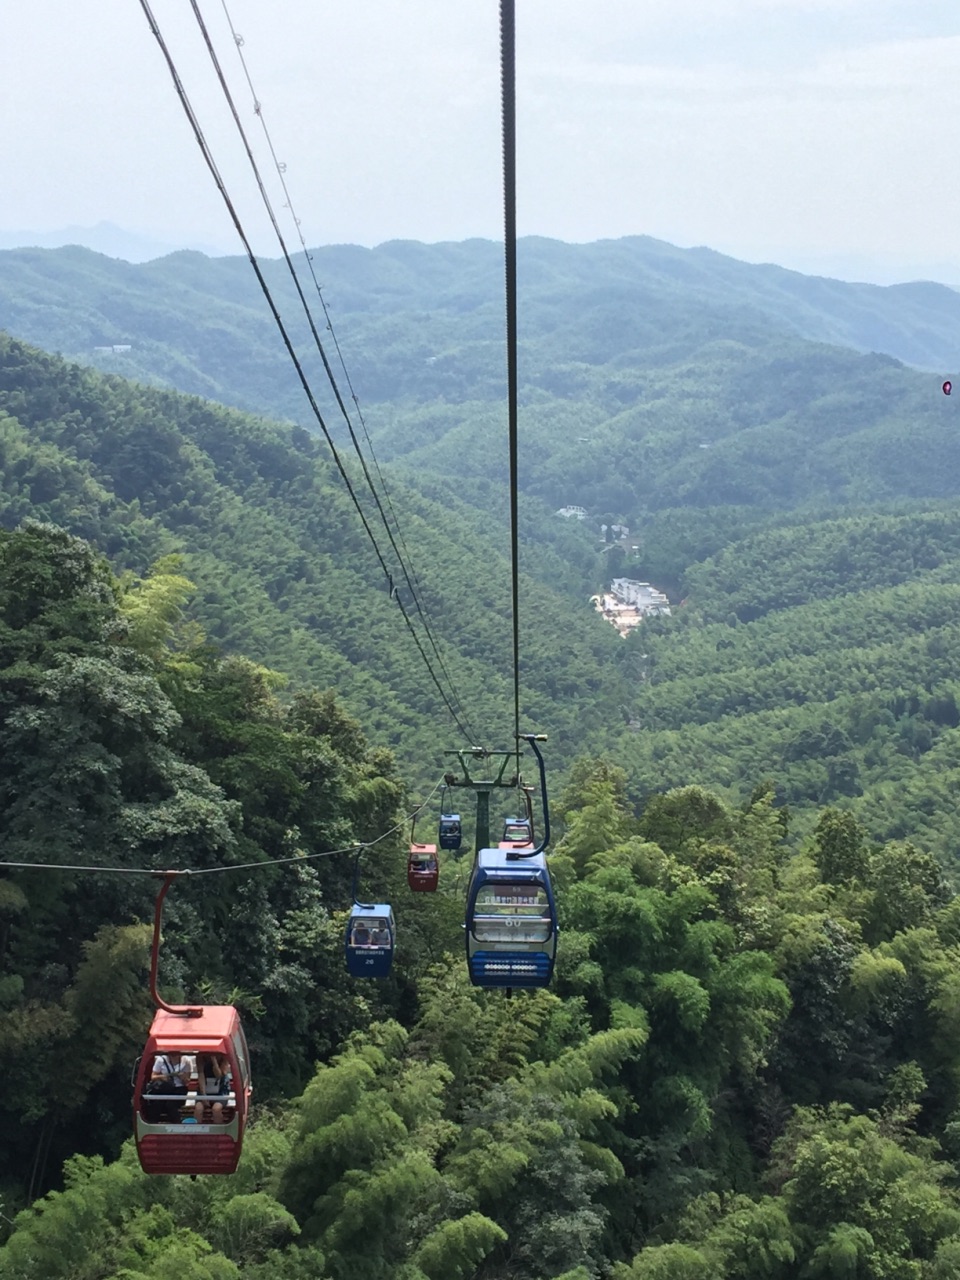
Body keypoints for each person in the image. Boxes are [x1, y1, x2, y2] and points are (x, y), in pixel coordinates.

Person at [148, 1050, 190, 1122]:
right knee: (157, 1104)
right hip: (165, 1089)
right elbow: (153, 1077)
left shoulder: (186, 1061)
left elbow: (187, 1082)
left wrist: (182, 1077)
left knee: (171, 1105)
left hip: (179, 1089)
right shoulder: (161, 1060)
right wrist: (162, 1077)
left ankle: (177, 1125)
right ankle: (153, 1125)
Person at [194, 1052, 230, 1124]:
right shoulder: (200, 1057)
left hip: (221, 1090)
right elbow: (201, 1075)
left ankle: (218, 1131)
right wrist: (203, 1095)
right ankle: (197, 1132)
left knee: (216, 1109)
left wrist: (214, 1061)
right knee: (198, 1109)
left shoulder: (224, 1058)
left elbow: (219, 1075)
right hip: (205, 1088)